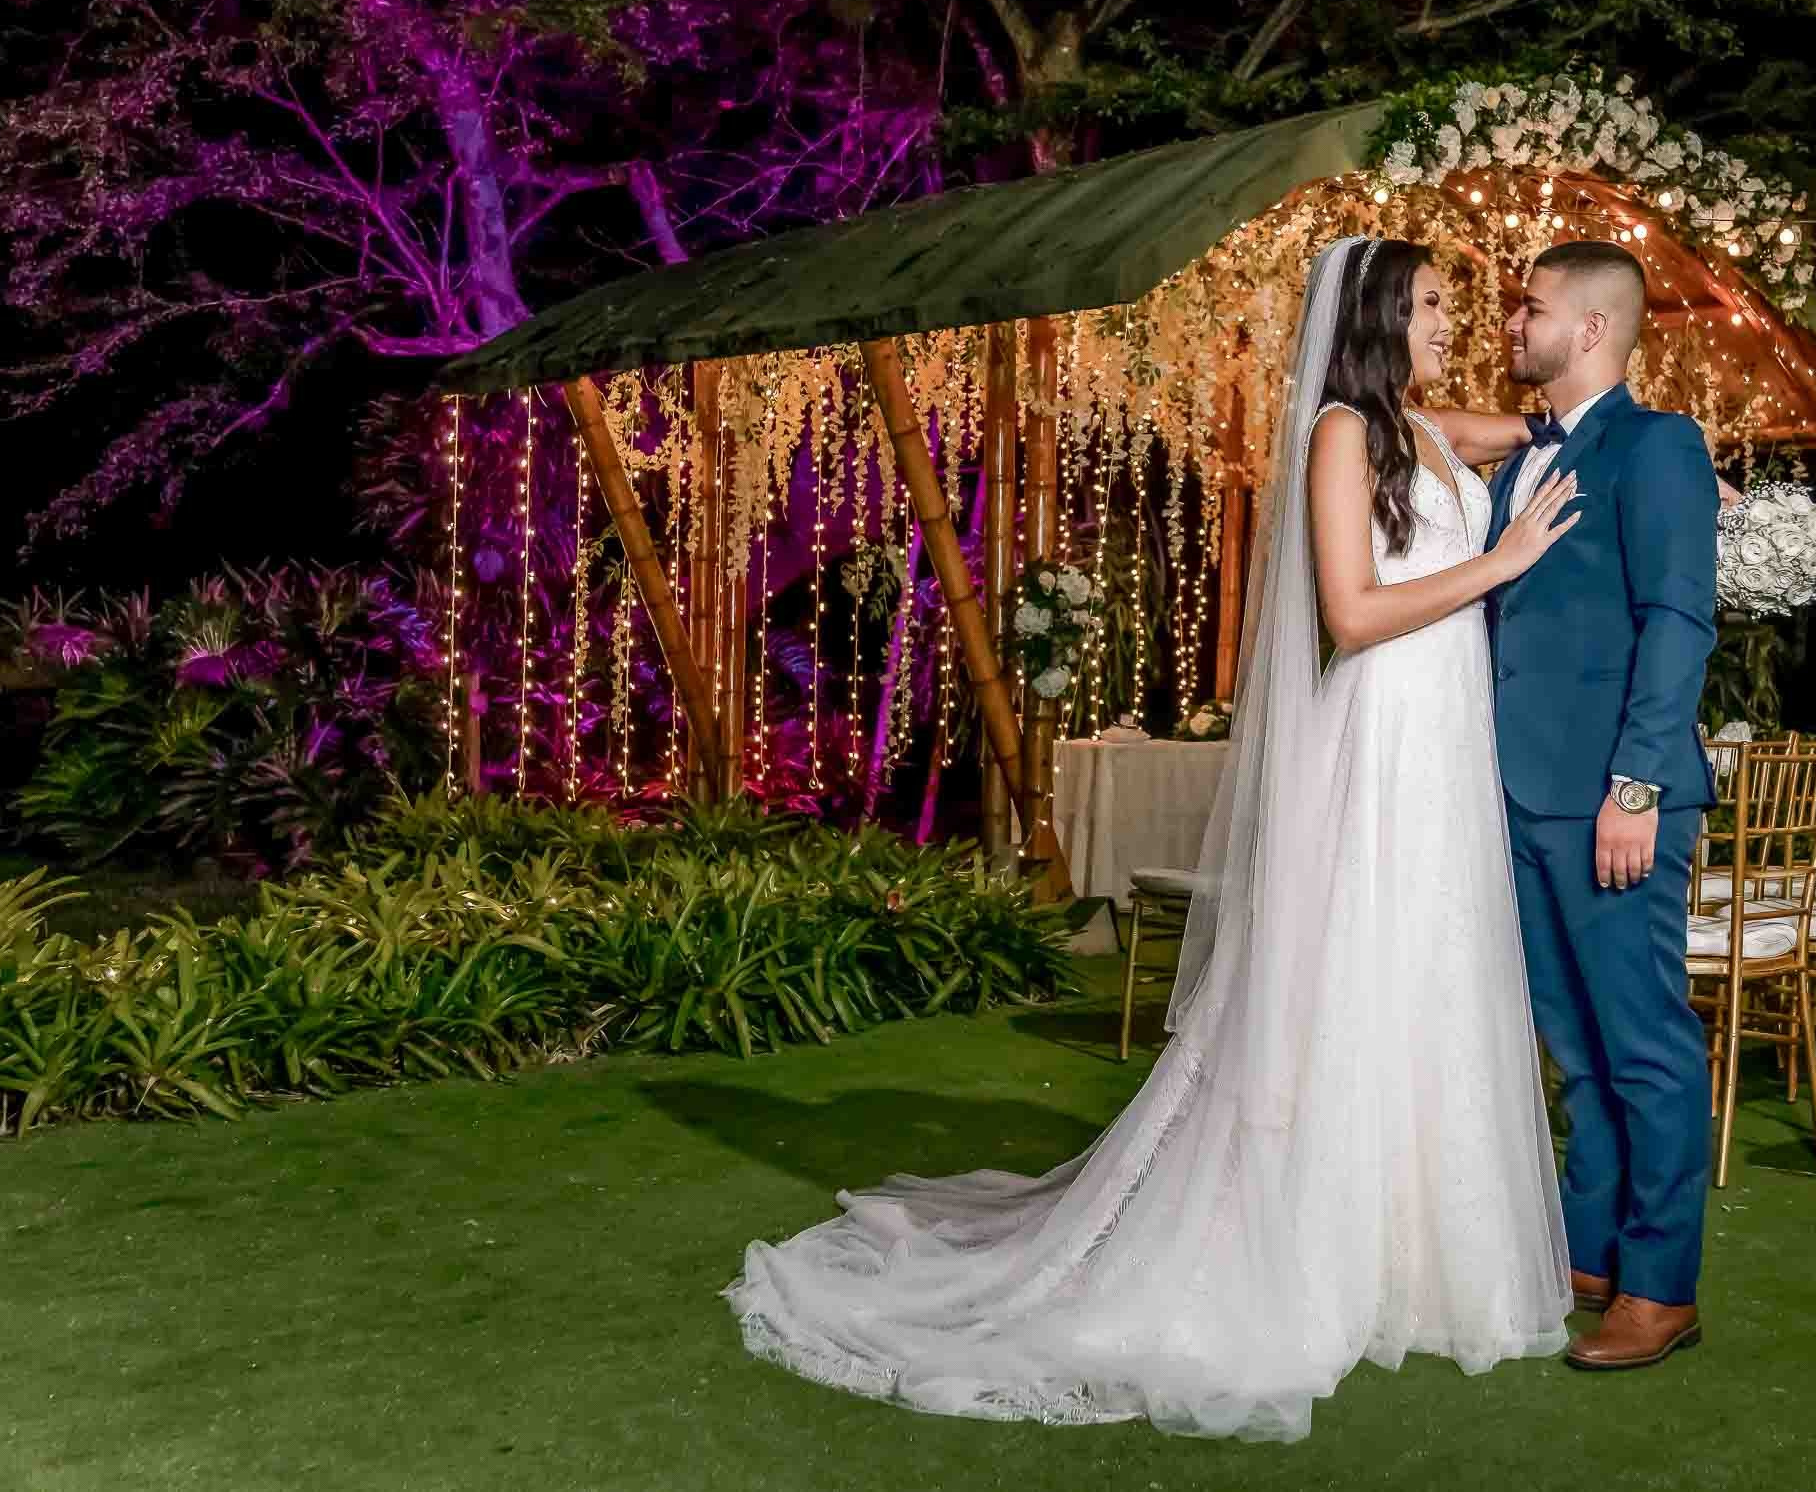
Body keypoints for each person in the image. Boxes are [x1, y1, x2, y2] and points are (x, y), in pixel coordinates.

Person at [724, 236, 1582, 1442]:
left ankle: (1421, 1248)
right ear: (1381, 314)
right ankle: (1312, 1241)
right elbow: (1349, 612)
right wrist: (1501, 560)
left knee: (1425, 964)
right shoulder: (1343, 432)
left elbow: (1529, 427)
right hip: (1381, 733)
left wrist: (1588, 419)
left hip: (1444, 739)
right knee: (1349, 963)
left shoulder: (1426, 428)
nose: (1454, 321)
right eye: (1433, 303)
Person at [1484, 241, 1720, 1371]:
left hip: (1613, 800)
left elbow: (1677, 620)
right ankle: (1590, 1251)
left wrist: (1637, 785)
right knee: (1575, 1046)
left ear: (1588, 328)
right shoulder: (1524, 457)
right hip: (1521, 792)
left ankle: (1660, 1285)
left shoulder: (1658, 444)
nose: (1510, 322)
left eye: (1528, 307)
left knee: (1643, 1043)